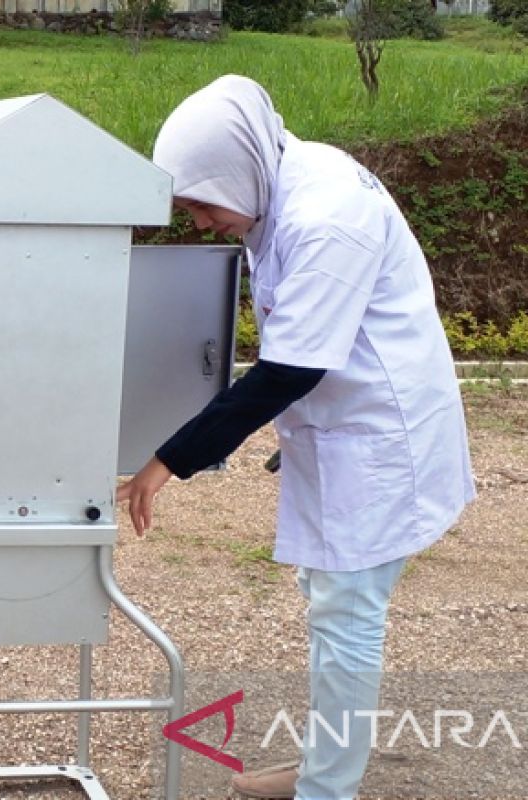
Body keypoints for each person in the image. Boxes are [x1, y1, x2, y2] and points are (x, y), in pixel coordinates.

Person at [118, 75, 474, 800]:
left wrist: (166, 461)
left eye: (199, 205)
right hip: (342, 423)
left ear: (234, 172)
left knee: (348, 617)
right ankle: (323, 768)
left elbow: (285, 372)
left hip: (381, 436)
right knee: (330, 602)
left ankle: (326, 789)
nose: (198, 222)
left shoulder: (324, 215)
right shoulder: (275, 187)